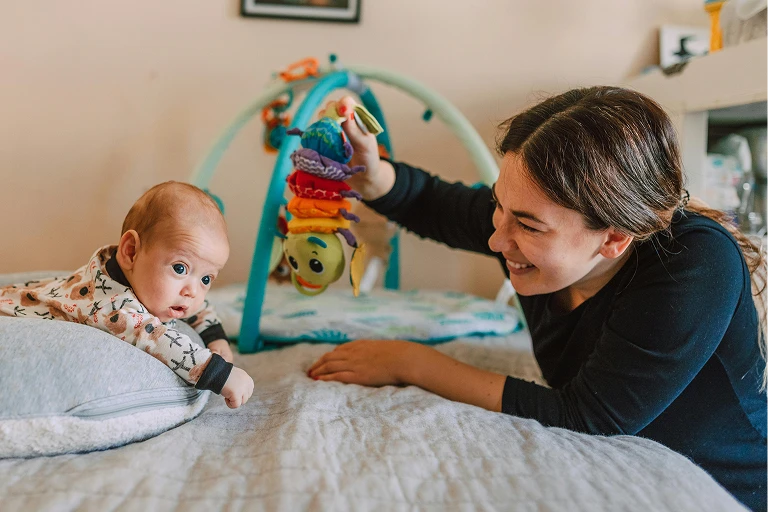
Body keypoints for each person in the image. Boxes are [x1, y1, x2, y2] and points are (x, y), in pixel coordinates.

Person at [307, 88, 768, 509]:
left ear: (614, 238)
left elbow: (588, 414)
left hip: (734, 489)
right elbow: (434, 204)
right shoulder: (532, 223)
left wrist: (411, 363)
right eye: (499, 208)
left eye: (527, 226)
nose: (495, 239)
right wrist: (370, 174)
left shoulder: (695, 263)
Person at [0, 182, 254, 409]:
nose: (192, 291)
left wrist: (214, 335)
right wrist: (221, 374)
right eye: (180, 268)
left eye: (206, 279)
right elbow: (154, 337)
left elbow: (198, 305)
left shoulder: (162, 286)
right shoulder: (113, 305)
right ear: (131, 252)